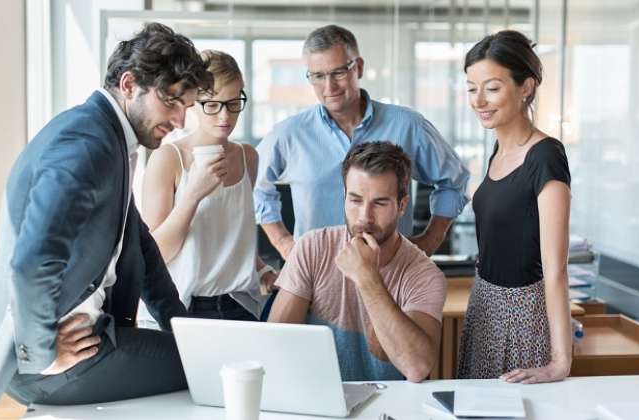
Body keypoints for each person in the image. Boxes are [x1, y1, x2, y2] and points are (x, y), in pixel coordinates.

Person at [0, 23, 213, 405]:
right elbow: (34, 259)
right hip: (51, 366)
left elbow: (141, 246)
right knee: (213, 367)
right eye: (171, 101)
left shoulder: (110, 138)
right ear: (129, 84)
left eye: (186, 107)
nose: (181, 121)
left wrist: (181, 327)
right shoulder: (88, 144)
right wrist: (42, 353)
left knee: (204, 354)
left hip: (86, 339)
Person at [254, 24, 470, 261]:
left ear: (358, 68)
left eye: (338, 72)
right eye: (318, 76)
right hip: (315, 276)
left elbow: (454, 180)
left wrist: (430, 240)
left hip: (391, 273)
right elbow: (254, 185)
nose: (329, 87)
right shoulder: (289, 134)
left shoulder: (408, 125)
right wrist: (283, 242)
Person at [268, 141, 447, 382]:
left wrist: (367, 277)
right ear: (344, 197)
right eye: (355, 200)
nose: (365, 217)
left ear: (401, 206)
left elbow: (416, 368)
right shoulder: (312, 247)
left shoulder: (425, 275)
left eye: (380, 203)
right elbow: (276, 344)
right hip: (318, 399)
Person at [457, 30, 572, 383]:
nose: (479, 100)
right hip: (484, 305)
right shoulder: (497, 152)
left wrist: (560, 363)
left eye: (492, 88)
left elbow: (556, 270)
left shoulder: (546, 156)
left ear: (526, 87)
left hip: (524, 314)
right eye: (471, 88)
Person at [141, 50, 275, 321]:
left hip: (242, 304)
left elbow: (233, 238)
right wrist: (192, 195)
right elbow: (154, 256)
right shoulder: (168, 159)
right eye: (212, 104)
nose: (225, 116)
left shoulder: (248, 156)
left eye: (233, 102)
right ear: (193, 103)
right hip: (185, 307)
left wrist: (262, 270)